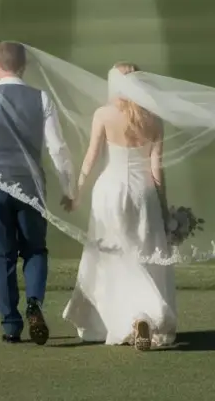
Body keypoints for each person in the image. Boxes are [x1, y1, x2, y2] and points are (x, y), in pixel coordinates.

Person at [0, 41, 76, 345]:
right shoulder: (40, 98)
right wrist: (68, 187)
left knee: (2, 256)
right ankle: (34, 302)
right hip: (30, 186)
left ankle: (11, 325)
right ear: (24, 66)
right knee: (35, 250)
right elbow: (57, 148)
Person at [62, 62, 178, 351]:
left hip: (109, 191)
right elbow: (156, 170)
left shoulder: (104, 114)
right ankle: (144, 316)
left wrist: (76, 191)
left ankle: (133, 316)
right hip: (143, 193)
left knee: (113, 255)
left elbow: (91, 157)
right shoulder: (153, 119)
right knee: (143, 252)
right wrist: (164, 210)